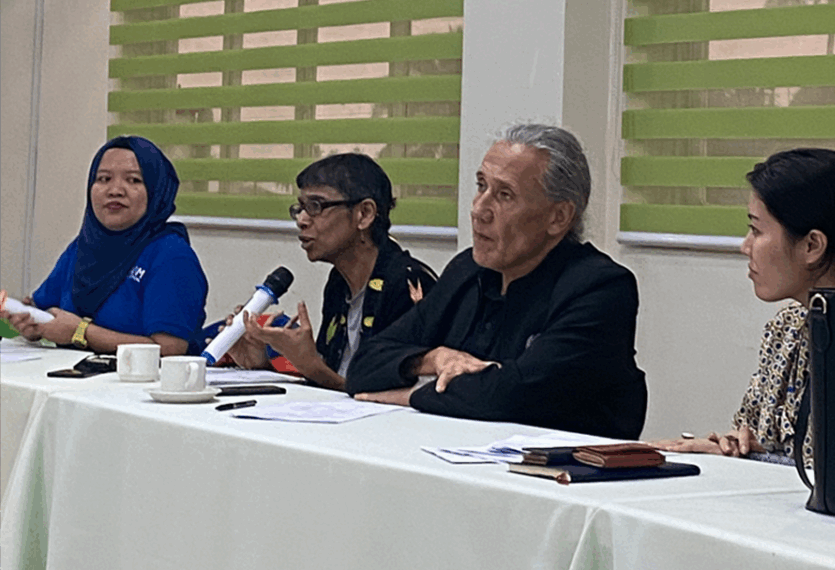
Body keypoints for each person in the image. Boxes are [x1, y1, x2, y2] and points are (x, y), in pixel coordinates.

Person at [347, 124, 648, 440]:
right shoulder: (467, 271)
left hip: (557, 467)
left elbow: (510, 395)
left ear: (558, 217)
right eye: (481, 186)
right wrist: (433, 359)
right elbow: (364, 366)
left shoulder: (600, 288)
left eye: (505, 195)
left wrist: (411, 396)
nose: (479, 209)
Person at [650, 148, 835, 461]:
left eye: (756, 230)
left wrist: (757, 459)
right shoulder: (787, 328)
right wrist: (733, 447)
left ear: (812, 245)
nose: (745, 246)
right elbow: (754, 435)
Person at [223, 153, 437, 391]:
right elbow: (333, 389)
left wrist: (310, 366)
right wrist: (260, 365)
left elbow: (394, 398)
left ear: (364, 214)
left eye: (316, 206)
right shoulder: (339, 282)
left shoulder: (409, 284)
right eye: (300, 208)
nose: (302, 220)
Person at [0, 136, 208, 355]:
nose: (115, 190)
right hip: (70, 373)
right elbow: (45, 310)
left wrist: (81, 332)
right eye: (104, 179)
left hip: (139, 377)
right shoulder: (82, 248)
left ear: (156, 191)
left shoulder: (171, 256)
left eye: (133, 180)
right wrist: (33, 326)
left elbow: (169, 349)